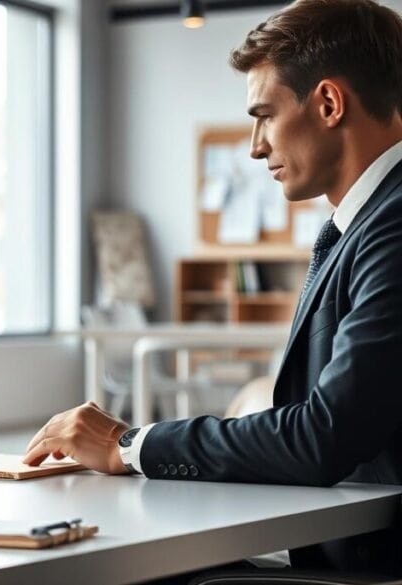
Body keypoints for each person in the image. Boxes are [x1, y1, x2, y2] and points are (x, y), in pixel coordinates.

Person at [24, 0, 402, 576]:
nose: (254, 146)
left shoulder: (393, 225)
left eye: (265, 115)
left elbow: (324, 434)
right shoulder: (366, 223)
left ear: (328, 103)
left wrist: (127, 445)